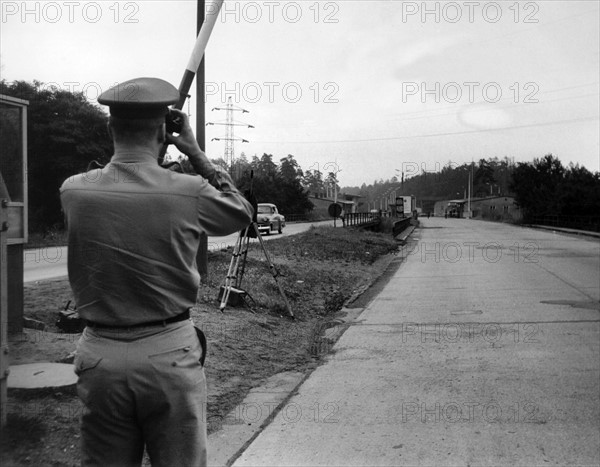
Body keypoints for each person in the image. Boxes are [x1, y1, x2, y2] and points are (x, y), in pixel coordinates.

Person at [60, 77, 254, 467]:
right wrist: (197, 155)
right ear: (166, 132)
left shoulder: (74, 191)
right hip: (169, 351)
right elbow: (241, 214)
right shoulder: (189, 191)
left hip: (100, 356)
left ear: (109, 127)